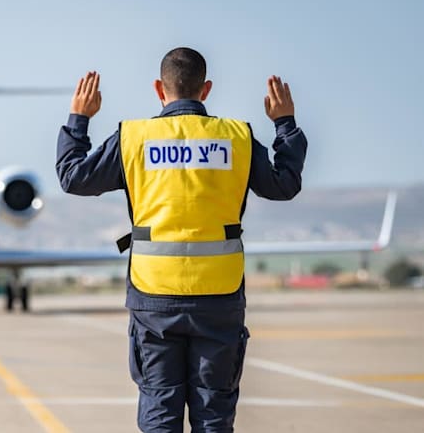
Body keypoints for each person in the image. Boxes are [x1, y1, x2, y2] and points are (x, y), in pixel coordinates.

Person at [56, 47, 307, 433]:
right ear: (206, 90)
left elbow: (73, 176)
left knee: (160, 409)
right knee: (213, 415)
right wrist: (284, 123)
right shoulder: (236, 137)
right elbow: (284, 184)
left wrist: (80, 119)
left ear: (159, 88)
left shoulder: (134, 138)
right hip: (219, 294)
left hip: (154, 294)